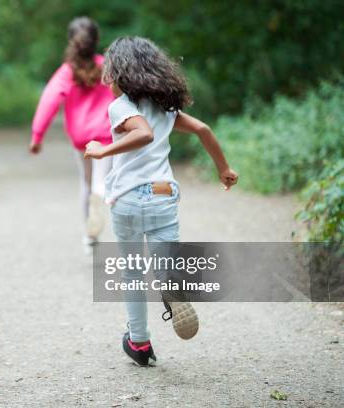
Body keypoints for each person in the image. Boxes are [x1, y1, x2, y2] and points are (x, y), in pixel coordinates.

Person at [84, 36, 238, 366]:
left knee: (132, 272)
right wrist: (223, 168)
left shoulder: (121, 106)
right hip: (162, 196)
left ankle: (138, 342)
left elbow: (143, 134)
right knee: (164, 267)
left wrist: (103, 150)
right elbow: (203, 129)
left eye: (108, 74)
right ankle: (171, 286)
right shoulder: (166, 109)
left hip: (127, 199)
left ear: (120, 74)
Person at [30, 17, 115, 253]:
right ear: (96, 40)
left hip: (80, 137)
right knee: (100, 181)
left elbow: (48, 101)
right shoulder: (107, 66)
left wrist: (37, 136)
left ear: (71, 41)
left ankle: (89, 237)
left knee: (85, 182)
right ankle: (98, 209)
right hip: (105, 134)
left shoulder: (66, 72)